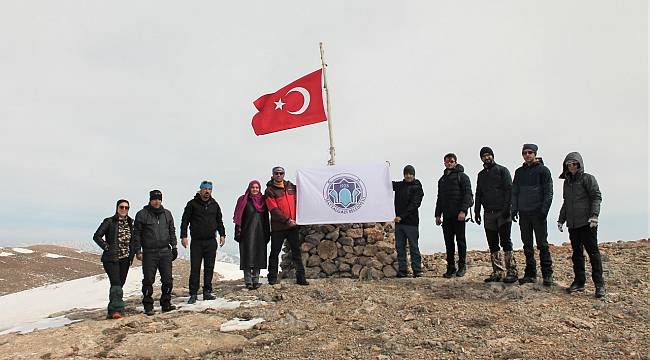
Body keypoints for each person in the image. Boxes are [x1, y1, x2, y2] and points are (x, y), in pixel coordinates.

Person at [557, 152, 605, 298]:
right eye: (568, 163)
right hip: (573, 224)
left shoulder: (587, 179)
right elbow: (566, 202)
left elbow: (596, 197)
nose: (571, 165)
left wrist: (594, 216)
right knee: (576, 254)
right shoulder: (567, 182)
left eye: (574, 163)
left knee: (593, 253)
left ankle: (599, 285)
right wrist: (561, 219)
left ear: (579, 164)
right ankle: (579, 282)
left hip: (587, 223)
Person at [511, 144, 554, 286]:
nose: (527, 155)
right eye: (525, 153)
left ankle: (547, 274)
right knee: (527, 245)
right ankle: (530, 273)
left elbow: (549, 192)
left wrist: (544, 210)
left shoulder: (543, 171)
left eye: (530, 152)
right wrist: (514, 209)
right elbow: (515, 192)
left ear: (535, 154)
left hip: (538, 213)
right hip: (524, 214)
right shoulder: (519, 172)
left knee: (542, 244)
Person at [474, 147, 518, 283]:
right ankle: (497, 272)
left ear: (493, 156)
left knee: (505, 241)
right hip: (488, 213)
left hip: (502, 212)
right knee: (493, 243)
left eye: (488, 155)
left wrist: (507, 208)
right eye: (484, 156)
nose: (486, 158)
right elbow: (479, 193)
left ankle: (512, 271)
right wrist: (476, 211)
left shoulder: (502, 170)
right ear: (481, 158)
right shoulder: (481, 175)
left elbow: (509, 190)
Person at [132, 190, 178, 315]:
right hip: (149, 252)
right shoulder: (142, 214)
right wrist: (138, 250)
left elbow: (172, 231)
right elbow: (137, 234)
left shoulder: (167, 214)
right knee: (148, 280)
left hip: (165, 251)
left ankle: (166, 303)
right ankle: (148, 305)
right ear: (150, 200)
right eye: (154, 199)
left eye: (159, 199)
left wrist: (174, 247)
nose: (157, 201)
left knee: (168, 280)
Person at [180, 181, 226, 304]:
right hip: (197, 242)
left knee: (209, 268)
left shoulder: (214, 205)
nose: (207, 191)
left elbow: (219, 221)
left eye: (209, 189)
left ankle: (207, 292)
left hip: (211, 241)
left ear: (211, 191)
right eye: (204, 189)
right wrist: (183, 236)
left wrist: (222, 235)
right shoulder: (192, 204)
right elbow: (185, 220)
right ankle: (193, 293)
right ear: (200, 190)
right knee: (195, 268)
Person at [93, 199, 136, 319]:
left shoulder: (131, 223)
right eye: (121, 207)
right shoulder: (109, 221)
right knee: (116, 283)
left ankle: (112, 310)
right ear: (117, 208)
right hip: (111, 258)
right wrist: (107, 247)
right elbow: (96, 236)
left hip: (126, 258)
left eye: (126, 208)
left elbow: (135, 239)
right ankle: (118, 311)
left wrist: (134, 253)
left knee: (119, 284)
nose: (123, 209)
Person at [265, 166, 309, 286]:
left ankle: (301, 278)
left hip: (292, 227)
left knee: (296, 252)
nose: (279, 175)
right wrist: (286, 220)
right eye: (276, 173)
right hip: (278, 228)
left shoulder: (291, 187)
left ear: (284, 174)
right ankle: (272, 278)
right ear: (273, 175)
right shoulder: (269, 191)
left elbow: (304, 192)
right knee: (274, 253)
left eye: (281, 173)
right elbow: (273, 209)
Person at [435, 153, 473, 278]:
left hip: (459, 216)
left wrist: (463, 211)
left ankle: (462, 266)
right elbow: (439, 198)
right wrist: (437, 215)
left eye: (451, 161)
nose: (449, 163)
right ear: (444, 163)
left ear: (456, 162)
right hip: (447, 216)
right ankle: (450, 267)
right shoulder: (442, 180)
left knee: (461, 241)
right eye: (447, 161)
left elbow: (468, 195)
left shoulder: (462, 177)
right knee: (448, 242)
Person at [233, 180, 270, 290]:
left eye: (257, 187)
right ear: (249, 188)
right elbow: (238, 218)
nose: (255, 189)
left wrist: (267, 234)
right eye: (253, 187)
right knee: (247, 257)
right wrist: (238, 232)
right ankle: (248, 281)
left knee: (258, 257)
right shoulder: (243, 200)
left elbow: (266, 219)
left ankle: (256, 281)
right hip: (246, 233)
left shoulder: (263, 201)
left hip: (260, 233)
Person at [392, 165, 425, 278]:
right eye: (406, 173)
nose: (408, 175)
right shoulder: (400, 185)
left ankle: (417, 270)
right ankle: (403, 270)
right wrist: (384, 169)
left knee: (413, 247)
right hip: (399, 223)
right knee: (400, 247)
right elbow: (386, 183)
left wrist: (401, 216)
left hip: (411, 223)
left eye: (410, 173)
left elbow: (414, 205)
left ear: (414, 175)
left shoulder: (417, 187)